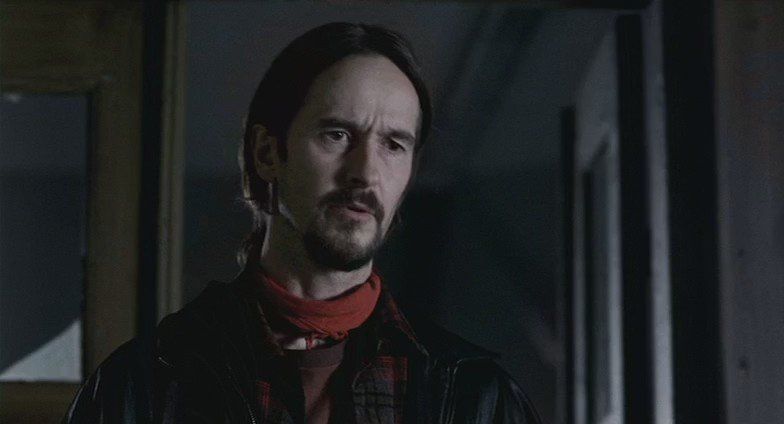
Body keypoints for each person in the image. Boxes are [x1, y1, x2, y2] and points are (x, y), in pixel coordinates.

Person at [64, 22, 542, 423]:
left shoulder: (473, 396)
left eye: (394, 145)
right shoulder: (143, 384)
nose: (366, 172)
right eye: (337, 135)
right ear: (268, 153)